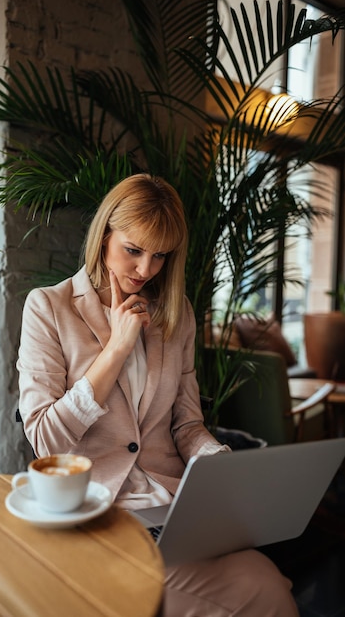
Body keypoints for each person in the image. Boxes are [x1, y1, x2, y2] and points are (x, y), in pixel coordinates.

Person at [17, 173, 299, 616]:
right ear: (104, 233)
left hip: (172, 509)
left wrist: (219, 466)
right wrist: (116, 349)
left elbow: (187, 424)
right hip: (98, 514)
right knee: (265, 588)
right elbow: (45, 440)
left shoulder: (177, 313)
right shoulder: (48, 308)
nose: (146, 270)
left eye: (160, 256)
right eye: (133, 250)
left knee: (261, 573)